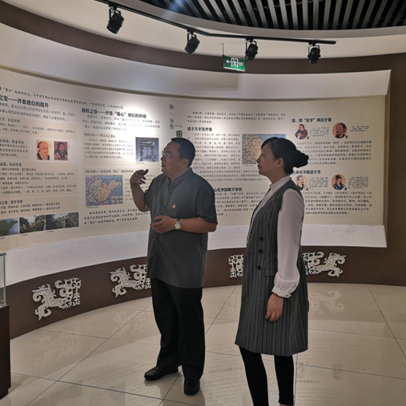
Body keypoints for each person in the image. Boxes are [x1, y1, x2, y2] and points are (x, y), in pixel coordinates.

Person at [130, 138, 218, 396]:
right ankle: (168, 362)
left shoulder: (200, 187)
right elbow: (143, 205)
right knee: (165, 318)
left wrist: (176, 223)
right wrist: (134, 185)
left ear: (184, 161)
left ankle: (192, 373)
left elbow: (209, 224)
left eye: (169, 154)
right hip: (159, 263)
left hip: (185, 268)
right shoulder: (158, 182)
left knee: (190, 324)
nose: (163, 158)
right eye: (164, 153)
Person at [236, 137, 309, 406]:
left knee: (256, 346)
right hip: (261, 279)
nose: (258, 160)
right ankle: (284, 401)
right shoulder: (275, 190)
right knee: (277, 347)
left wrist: (280, 292)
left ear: (279, 162)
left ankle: (279, 402)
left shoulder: (289, 195)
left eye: (263, 155)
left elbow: (289, 247)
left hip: (274, 283)